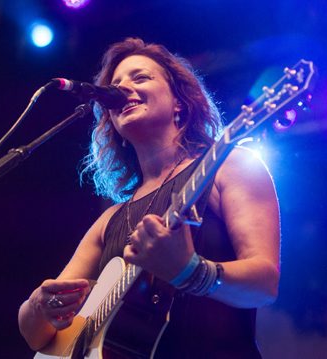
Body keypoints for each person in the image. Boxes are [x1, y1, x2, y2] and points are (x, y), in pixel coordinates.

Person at [18, 37, 280, 358]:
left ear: (179, 102)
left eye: (140, 77)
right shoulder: (109, 220)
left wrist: (191, 272)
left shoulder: (230, 165)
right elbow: (37, 338)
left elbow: (264, 285)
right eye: (115, 84)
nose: (123, 87)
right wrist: (39, 306)